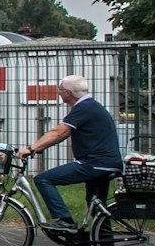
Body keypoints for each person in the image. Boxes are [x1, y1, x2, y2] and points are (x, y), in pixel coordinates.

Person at [22, 75, 122, 231]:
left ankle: (65, 219)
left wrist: (31, 149)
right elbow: (63, 133)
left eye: (60, 90)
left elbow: (59, 133)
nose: (59, 93)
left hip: (94, 164)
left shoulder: (84, 108)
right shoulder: (91, 106)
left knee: (43, 179)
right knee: (96, 207)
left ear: (67, 92)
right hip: (106, 164)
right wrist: (39, 147)